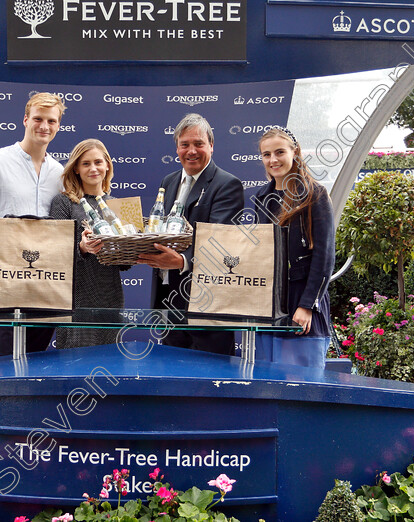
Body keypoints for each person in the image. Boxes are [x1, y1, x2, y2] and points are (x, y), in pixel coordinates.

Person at [0, 92, 66, 356]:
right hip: (2, 278)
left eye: (51, 121)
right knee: (8, 361)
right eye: (38, 119)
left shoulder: (60, 173)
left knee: (39, 358)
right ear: (25, 120)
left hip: (46, 282)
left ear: (58, 126)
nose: (44, 126)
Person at [139, 113, 244, 355]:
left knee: (210, 380)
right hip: (168, 300)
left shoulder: (227, 184)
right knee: (171, 379)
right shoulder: (169, 181)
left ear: (211, 146)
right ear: (177, 147)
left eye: (198, 144)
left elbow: (220, 241)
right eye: (185, 144)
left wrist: (183, 261)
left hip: (207, 305)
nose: (191, 151)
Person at [253, 126, 335, 368]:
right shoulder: (261, 198)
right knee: (267, 381)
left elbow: (325, 256)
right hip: (269, 306)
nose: (273, 160)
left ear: (295, 152)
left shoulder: (315, 194)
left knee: (302, 383)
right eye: (266, 154)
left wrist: (307, 305)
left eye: (279, 152)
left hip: (302, 300)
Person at [48, 139, 129, 348]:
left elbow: (125, 264)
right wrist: (81, 248)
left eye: (98, 162)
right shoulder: (63, 202)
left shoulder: (118, 206)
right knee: (72, 363)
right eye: (86, 163)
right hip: (75, 299)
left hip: (110, 297)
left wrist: (130, 248)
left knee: (108, 362)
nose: (93, 168)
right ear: (76, 168)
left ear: (107, 165)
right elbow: (54, 253)